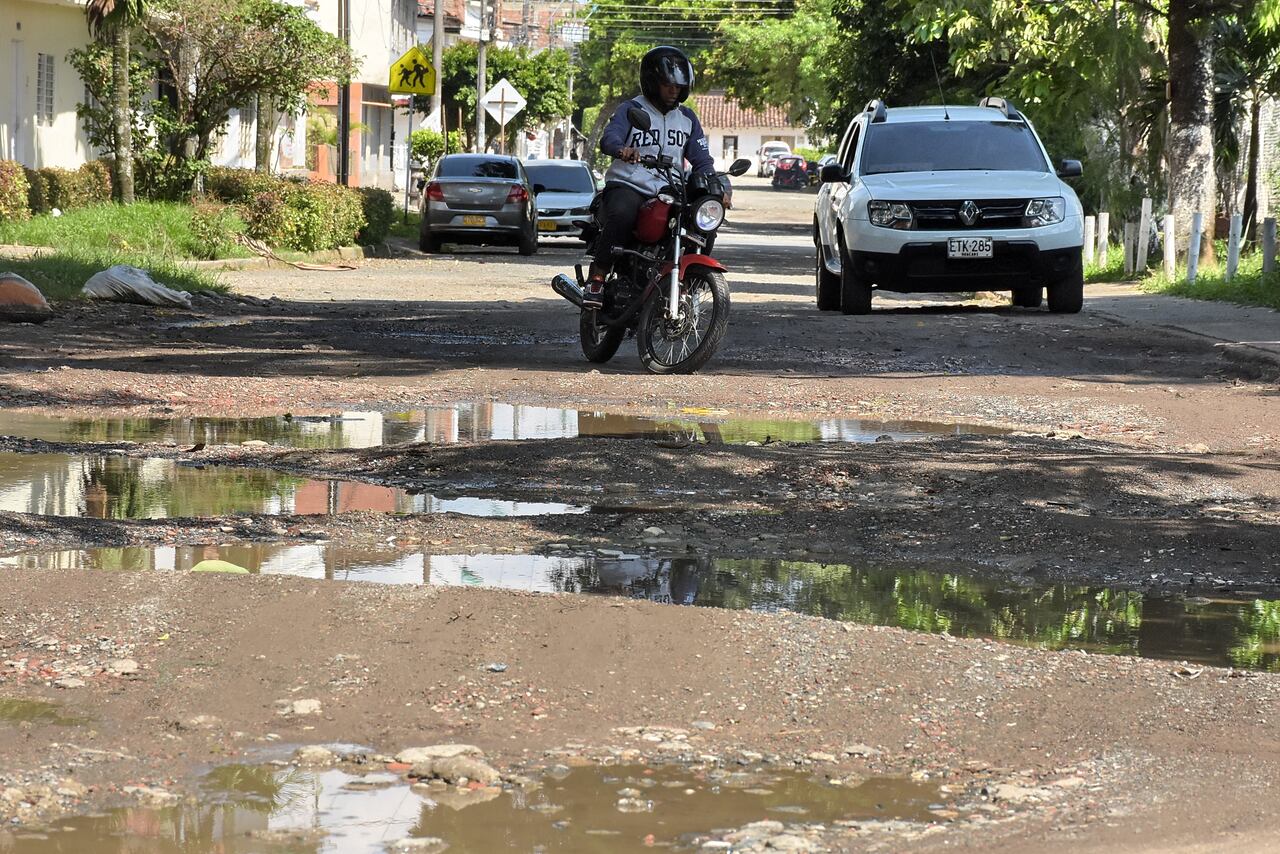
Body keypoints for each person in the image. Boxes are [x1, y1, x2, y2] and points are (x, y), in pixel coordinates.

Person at [583, 46, 716, 310]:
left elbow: (702, 160)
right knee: (622, 213)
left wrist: (719, 186)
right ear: (652, 82)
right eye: (668, 85)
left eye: (678, 87)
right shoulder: (631, 109)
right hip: (630, 183)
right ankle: (597, 277)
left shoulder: (687, 118)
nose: (673, 91)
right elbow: (610, 138)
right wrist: (622, 149)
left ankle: (687, 283)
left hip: (670, 189)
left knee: (704, 223)